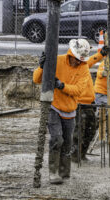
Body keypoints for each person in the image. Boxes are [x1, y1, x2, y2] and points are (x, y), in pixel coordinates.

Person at [33, 39, 91, 184]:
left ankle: (64, 172)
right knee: (56, 139)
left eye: (80, 60)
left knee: (67, 143)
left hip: (70, 110)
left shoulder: (83, 69)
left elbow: (78, 90)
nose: (78, 62)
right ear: (71, 54)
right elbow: (37, 79)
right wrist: (42, 67)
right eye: (77, 59)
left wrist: (62, 85)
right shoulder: (57, 61)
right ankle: (53, 173)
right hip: (54, 107)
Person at [71, 45, 109, 162]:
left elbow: (92, 60)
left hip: (90, 104)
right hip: (79, 104)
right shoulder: (73, 68)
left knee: (91, 129)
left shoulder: (84, 65)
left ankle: (82, 153)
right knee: (79, 131)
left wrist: (101, 54)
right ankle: (75, 155)